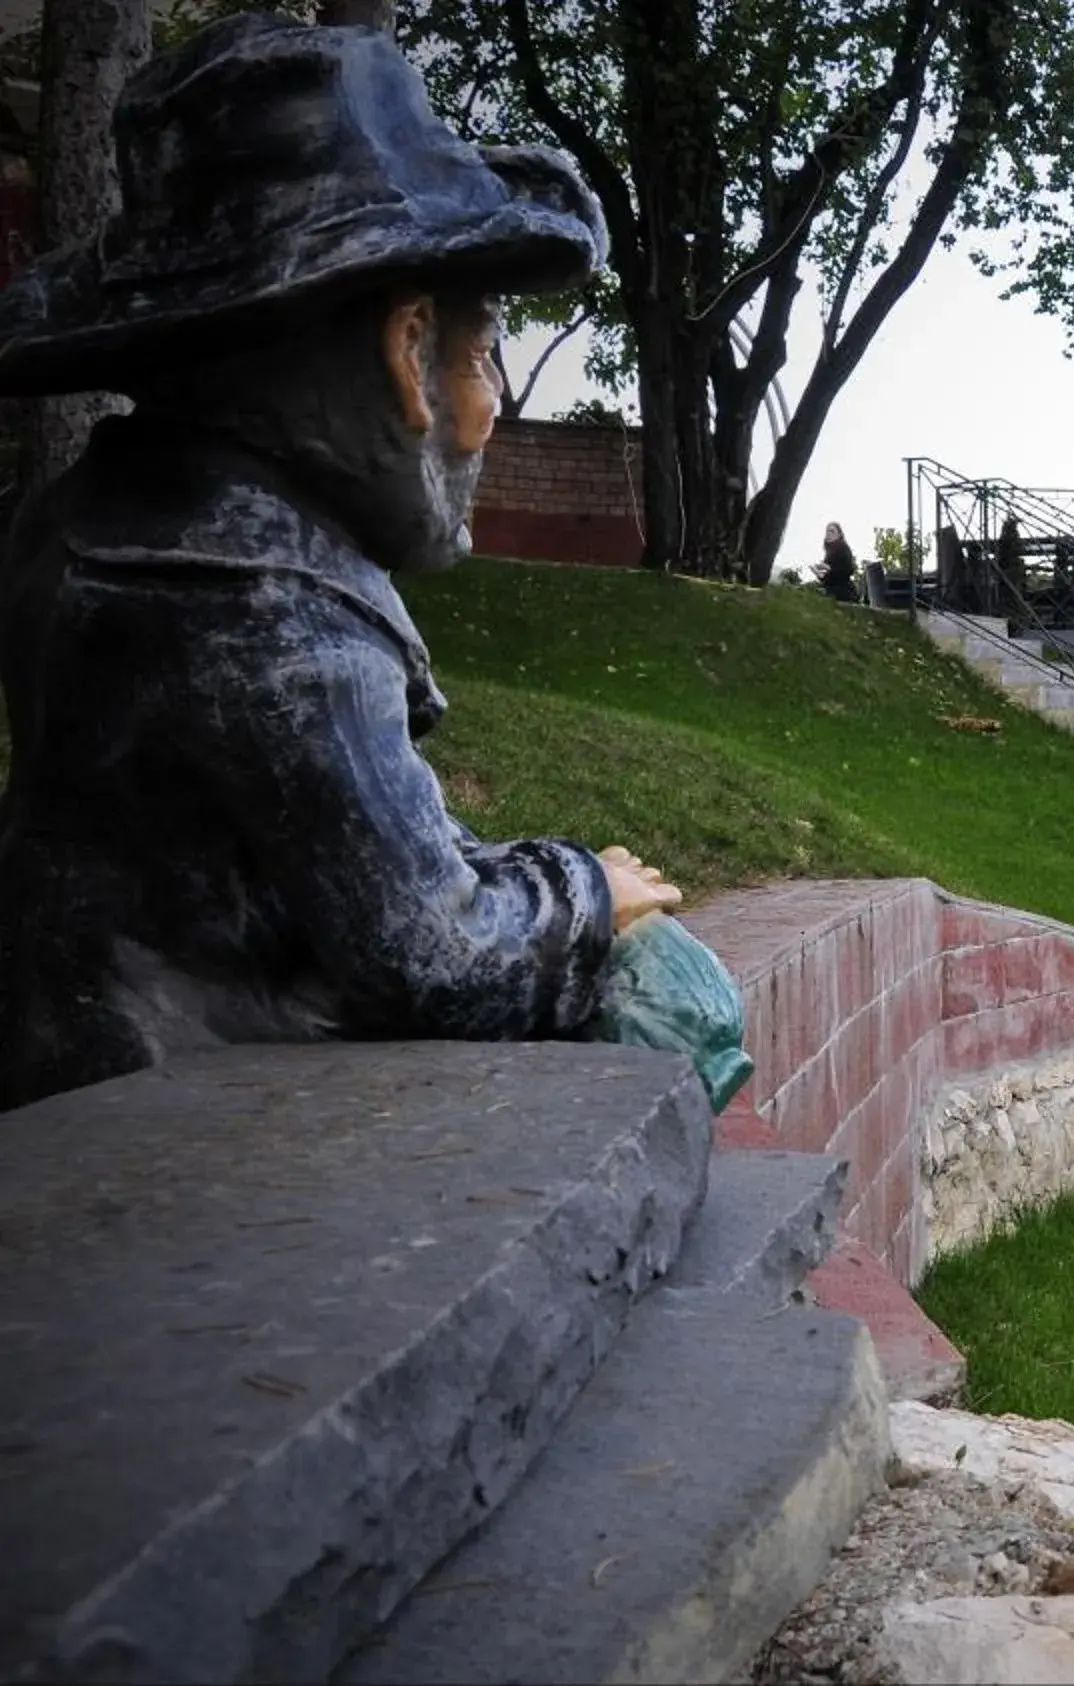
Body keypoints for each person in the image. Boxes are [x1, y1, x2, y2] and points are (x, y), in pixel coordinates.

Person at [0, 14, 690, 1110]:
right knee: (681, 1030)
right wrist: (585, 891)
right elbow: (439, 963)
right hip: (177, 1122)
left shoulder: (82, 522)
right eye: (484, 353)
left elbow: (312, 851)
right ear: (406, 354)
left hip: (71, 1043)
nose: (493, 409)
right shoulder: (274, 617)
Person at [820, 521, 859, 603]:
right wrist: (819, 573)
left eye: (832, 531)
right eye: (827, 531)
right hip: (831, 593)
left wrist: (829, 568)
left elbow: (849, 569)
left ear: (839, 534)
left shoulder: (843, 547)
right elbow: (828, 579)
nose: (828, 534)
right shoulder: (829, 552)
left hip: (844, 593)